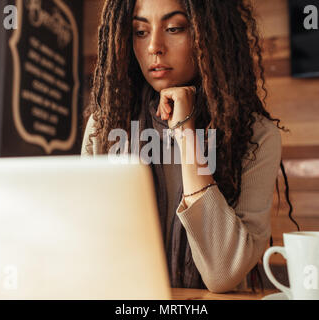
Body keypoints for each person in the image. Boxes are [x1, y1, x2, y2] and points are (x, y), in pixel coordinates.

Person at [81, 0, 298, 293]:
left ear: (210, 34)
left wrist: (186, 133)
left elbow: (223, 273)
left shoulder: (257, 136)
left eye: (174, 28)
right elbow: (87, 250)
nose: (154, 47)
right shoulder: (105, 126)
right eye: (140, 31)